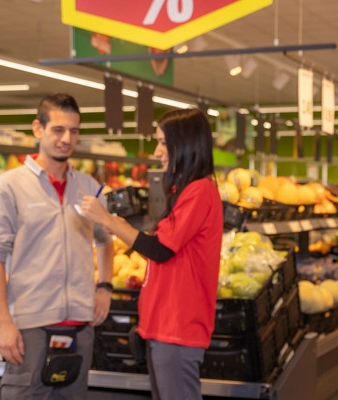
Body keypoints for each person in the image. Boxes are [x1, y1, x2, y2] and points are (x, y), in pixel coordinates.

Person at [80, 108, 223, 400]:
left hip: (179, 327)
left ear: (184, 144)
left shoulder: (200, 191)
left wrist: (110, 222)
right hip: (165, 326)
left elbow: (160, 249)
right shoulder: (186, 191)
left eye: (162, 142)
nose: (157, 152)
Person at [0, 93, 114, 399]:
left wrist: (105, 286)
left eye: (74, 131)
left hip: (81, 328)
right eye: (58, 129)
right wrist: (2, 322)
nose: (67, 138)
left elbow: (105, 237)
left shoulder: (89, 187)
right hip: (29, 328)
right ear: (38, 129)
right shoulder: (7, 188)